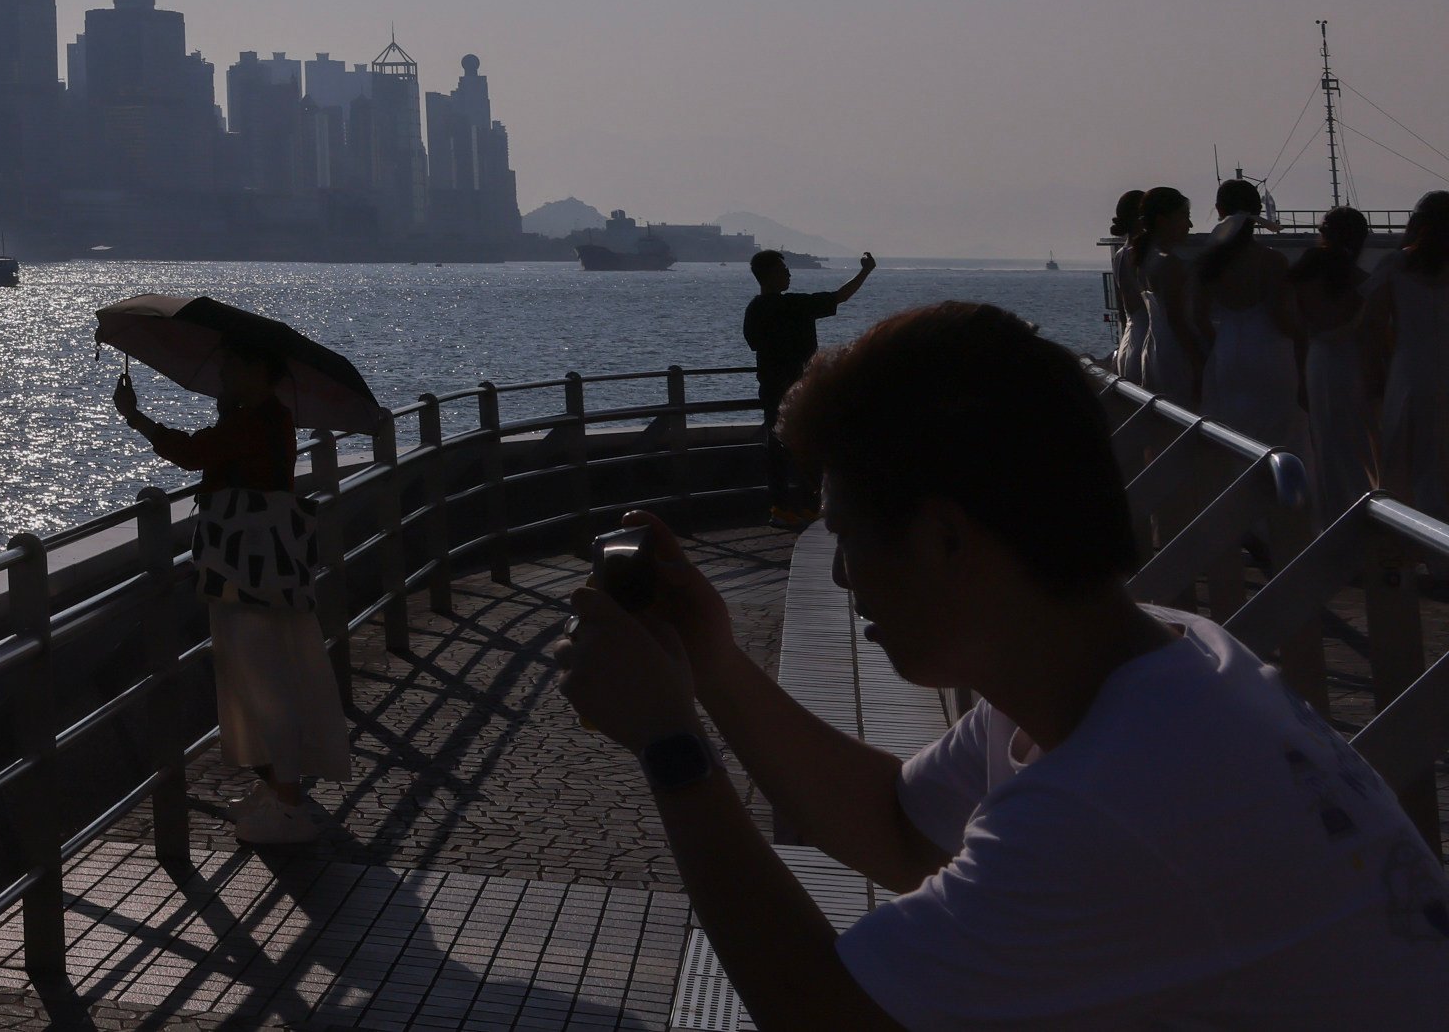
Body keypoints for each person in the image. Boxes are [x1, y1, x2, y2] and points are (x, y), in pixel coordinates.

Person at [560, 301, 1449, 1030]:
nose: (839, 574)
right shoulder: (1157, 667)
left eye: (849, 536)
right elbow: (902, 831)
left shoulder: (1117, 794)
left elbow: (828, 1017)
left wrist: (673, 748)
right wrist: (714, 663)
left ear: (946, 538)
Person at [112, 346, 349, 845]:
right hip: (267, 570)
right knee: (265, 679)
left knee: (264, 684)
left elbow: (193, 453)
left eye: (233, 364)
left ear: (260, 368)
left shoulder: (253, 423)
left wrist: (136, 418)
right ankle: (281, 792)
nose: (224, 371)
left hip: (246, 573)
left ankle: (287, 807)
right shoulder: (269, 419)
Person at [742, 248, 875, 529]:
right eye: (783, 270)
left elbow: (754, 343)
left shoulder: (754, 309)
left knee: (777, 447)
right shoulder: (794, 306)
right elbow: (840, 296)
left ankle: (782, 507)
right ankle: (807, 506)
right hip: (799, 387)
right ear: (769, 276)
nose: (788, 273)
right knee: (807, 445)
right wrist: (865, 271)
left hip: (770, 387)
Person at [1190, 182, 1303, 449]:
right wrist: (1306, 337)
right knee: (1278, 432)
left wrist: (1219, 343)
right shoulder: (1271, 261)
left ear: (1219, 210)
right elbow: (1281, 318)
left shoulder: (1208, 260)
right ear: (1258, 211)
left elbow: (1198, 316)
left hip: (1228, 350)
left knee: (1235, 431)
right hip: (1269, 351)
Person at [1365, 192, 1449, 534]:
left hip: (1410, 368)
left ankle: (1413, 538)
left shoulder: (1396, 264)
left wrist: (1380, 367)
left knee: (1405, 459)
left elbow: (1373, 323)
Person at [1286, 207, 1376, 518]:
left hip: (1318, 362)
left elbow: (1298, 332)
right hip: (1352, 364)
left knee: (1324, 442)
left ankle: (1331, 515)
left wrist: (1300, 377)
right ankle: (1362, 509)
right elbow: (1371, 336)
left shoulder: (1303, 276)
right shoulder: (1362, 281)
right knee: (1357, 444)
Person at [1138, 186, 1204, 403]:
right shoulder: (1170, 263)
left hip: (1155, 345)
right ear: (1162, 220)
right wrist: (1199, 361)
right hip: (1176, 351)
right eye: (1184, 217)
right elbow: (1177, 320)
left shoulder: (1143, 257)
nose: (1190, 225)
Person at [1102, 191, 1150, 386]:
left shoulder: (1120, 255)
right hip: (1146, 341)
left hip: (1129, 340)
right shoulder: (1141, 256)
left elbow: (1123, 311)